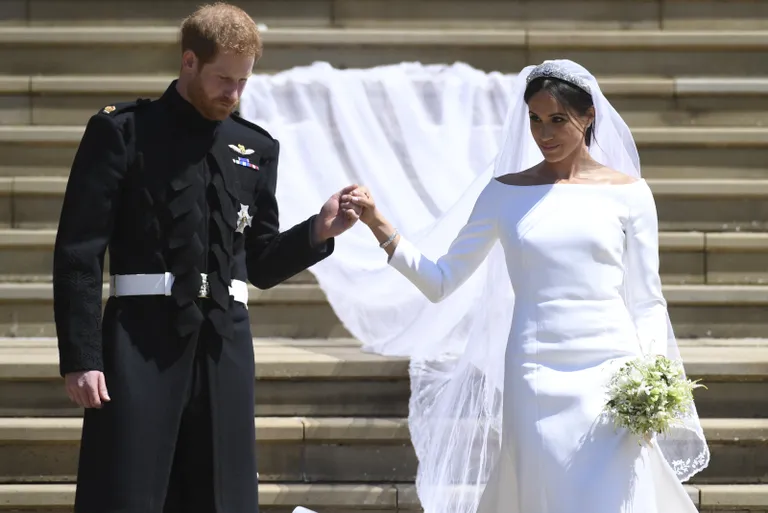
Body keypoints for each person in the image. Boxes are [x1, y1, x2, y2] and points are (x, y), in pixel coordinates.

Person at [341, 60, 709, 513]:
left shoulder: (631, 194)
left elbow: (648, 300)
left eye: (557, 119)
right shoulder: (504, 193)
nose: (543, 133)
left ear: (589, 116)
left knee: (614, 497)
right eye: (534, 119)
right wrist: (380, 225)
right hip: (534, 371)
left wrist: (652, 379)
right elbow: (441, 281)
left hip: (614, 371)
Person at [52, 3, 360, 513]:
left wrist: (317, 231)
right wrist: (82, 358)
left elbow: (258, 264)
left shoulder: (254, 147)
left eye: (243, 82)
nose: (233, 94)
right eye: (223, 79)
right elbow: (79, 253)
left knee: (225, 497)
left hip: (225, 343)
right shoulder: (122, 132)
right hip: (139, 340)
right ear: (189, 61)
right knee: (128, 494)